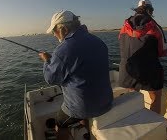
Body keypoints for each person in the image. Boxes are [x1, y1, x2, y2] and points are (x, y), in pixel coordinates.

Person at [39, 10, 113, 139]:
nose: (54, 35)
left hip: (84, 107)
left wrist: (47, 61)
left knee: (60, 123)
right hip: (106, 100)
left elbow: (51, 79)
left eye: (54, 31)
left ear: (63, 29)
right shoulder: (98, 41)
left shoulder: (63, 49)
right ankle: (86, 128)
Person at [118, 0, 167, 114]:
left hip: (127, 71)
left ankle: (134, 119)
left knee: (132, 96)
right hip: (149, 70)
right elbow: (163, 52)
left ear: (137, 10)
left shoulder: (124, 27)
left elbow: (122, 47)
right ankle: (153, 121)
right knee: (155, 96)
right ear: (150, 10)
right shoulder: (155, 27)